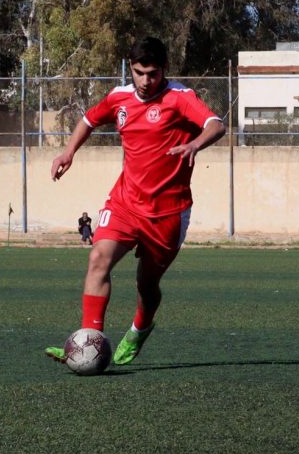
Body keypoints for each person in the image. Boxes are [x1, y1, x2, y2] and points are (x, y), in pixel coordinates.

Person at [46, 37, 225, 368]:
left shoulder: (180, 98)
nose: (145, 81)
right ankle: (88, 342)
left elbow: (216, 124)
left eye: (153, 74)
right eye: (139, 72)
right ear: (131, 68)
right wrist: (68, 151)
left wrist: (195, 145)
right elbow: (88, 120)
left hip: (168, 212)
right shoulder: (119, 98)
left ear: (163, 70)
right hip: (126, 202)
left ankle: (140, 327)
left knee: (147, 284)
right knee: (98, 257)